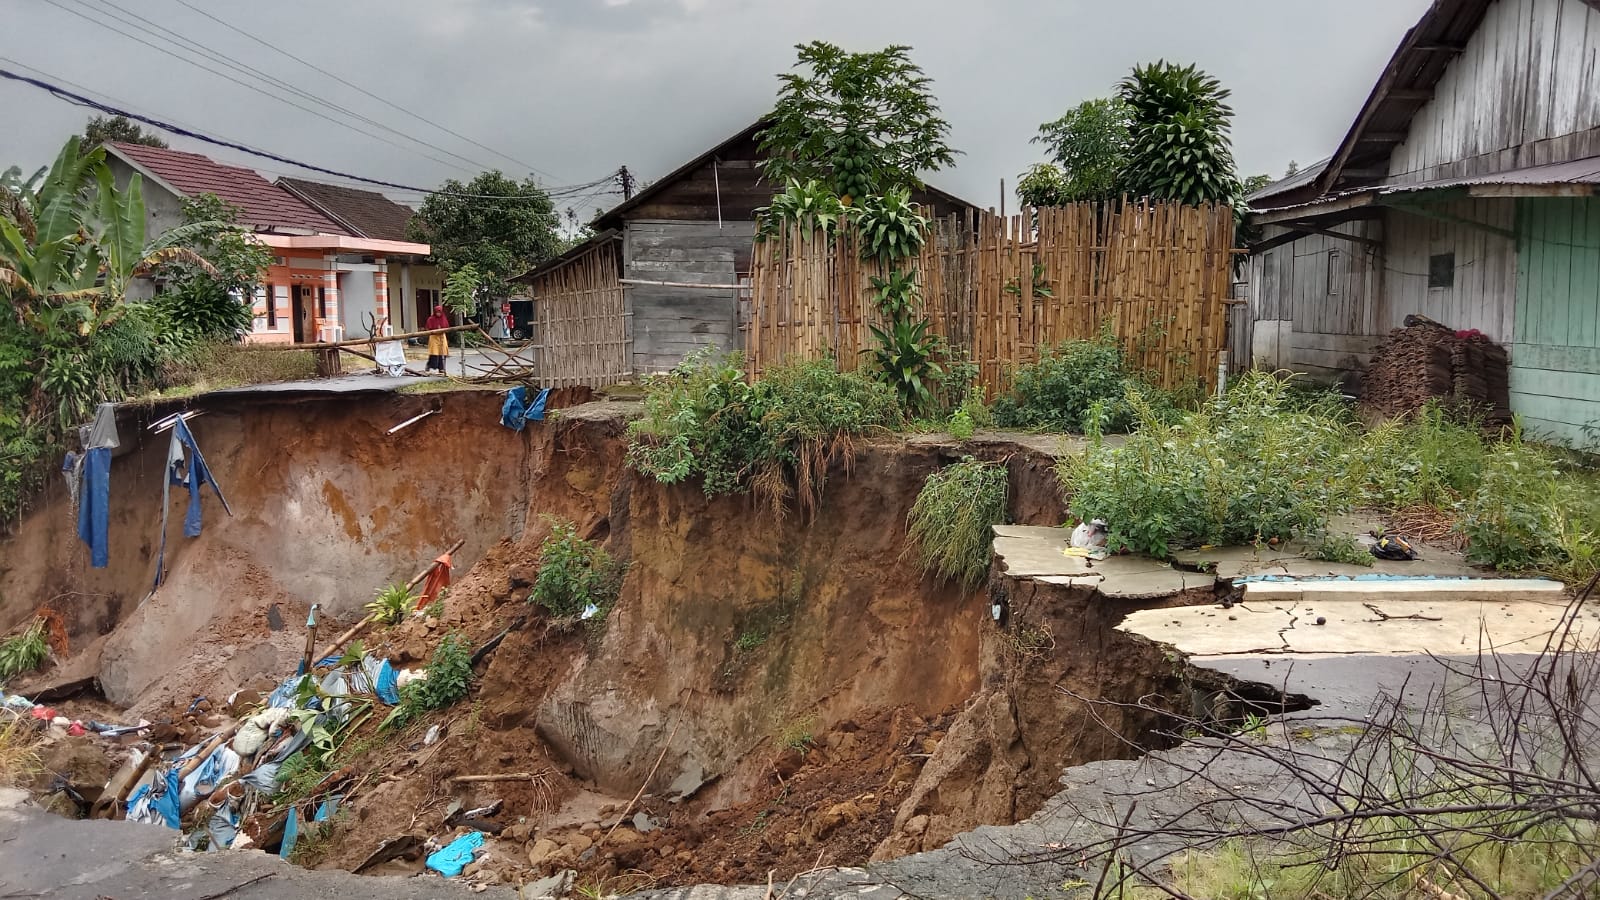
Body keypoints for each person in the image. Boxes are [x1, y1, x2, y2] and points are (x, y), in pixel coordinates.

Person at [425, 305, 450, 373]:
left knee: (442, 351)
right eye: (437, 312)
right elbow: (428, 328)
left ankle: (441, 368)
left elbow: (447, 327)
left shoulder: (444, 318)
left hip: (442, 336)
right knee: (434, 352)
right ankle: (429, 365)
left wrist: (442, 330)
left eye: (439, 312)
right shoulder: (431, 319)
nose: (438, 313)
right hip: (434, 337)